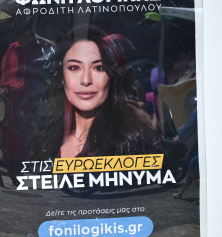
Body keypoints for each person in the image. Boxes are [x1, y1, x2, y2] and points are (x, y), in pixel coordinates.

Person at [32, 24, 157, 160]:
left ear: (112, 76)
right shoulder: (47, 139)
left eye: (99, 68)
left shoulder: (132, 141)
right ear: (62, 77)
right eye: (74, 68)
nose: (86, 80)